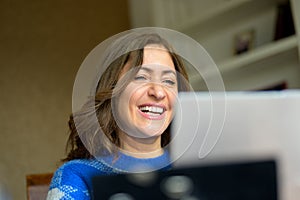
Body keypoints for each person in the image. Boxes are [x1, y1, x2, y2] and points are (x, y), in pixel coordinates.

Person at [47, 31, 190, 200]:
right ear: (112, 90)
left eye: (168, 81)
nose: (158, 92)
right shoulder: (77, 176)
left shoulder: (200, 167)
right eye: (141, 77)